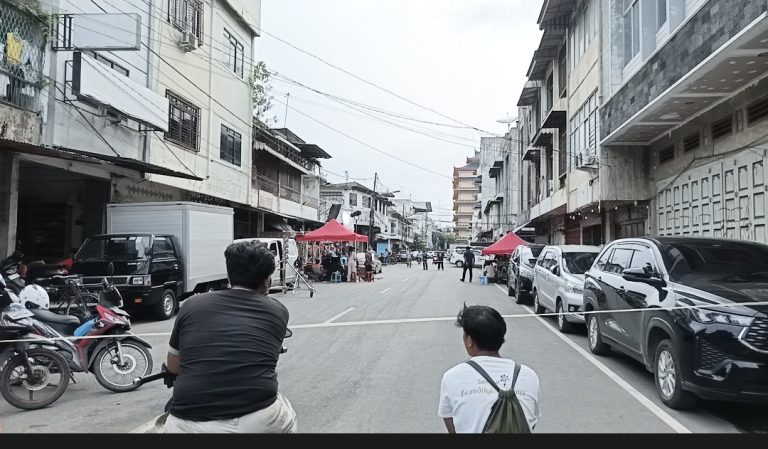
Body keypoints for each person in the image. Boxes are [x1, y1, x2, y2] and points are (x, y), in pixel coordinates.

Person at [163, 241, 297, 433]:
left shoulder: (191, 305)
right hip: (258, 418)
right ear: (268, 280)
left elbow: (174, 366)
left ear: (229, 275)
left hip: (187, 423)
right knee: (287, 412)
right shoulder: (278, 310)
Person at [438, 305, 541, 433]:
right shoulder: (529, 376)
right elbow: (529, 422)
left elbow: (452, 426)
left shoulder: (452, 377)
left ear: (469, 340)